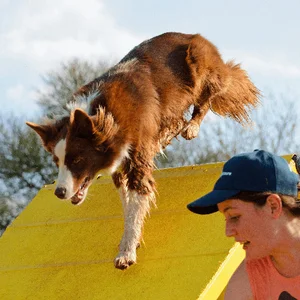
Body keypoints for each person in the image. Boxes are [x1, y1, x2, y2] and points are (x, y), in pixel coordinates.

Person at [187, 149, 300, 300]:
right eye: (225, 219)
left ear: (273, 206)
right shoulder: (250, 277)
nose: (228, 232)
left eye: (234, 216)